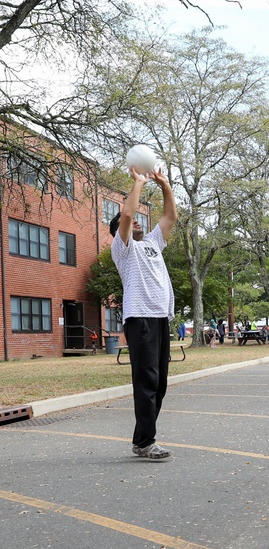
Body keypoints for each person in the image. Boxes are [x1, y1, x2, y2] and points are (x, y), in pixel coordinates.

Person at [110, 166, 177, 460]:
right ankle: (146, 441)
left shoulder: (151, 243)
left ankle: (141, 439)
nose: (136, 221)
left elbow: (170, 218)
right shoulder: (122, 249)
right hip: (140, 319)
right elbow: (126, 215)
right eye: (132, 220)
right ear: (119, 232)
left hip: (160, 318)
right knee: (147, 380)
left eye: (139, 220)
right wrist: (137, 183)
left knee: (159, 382)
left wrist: (164, 184)